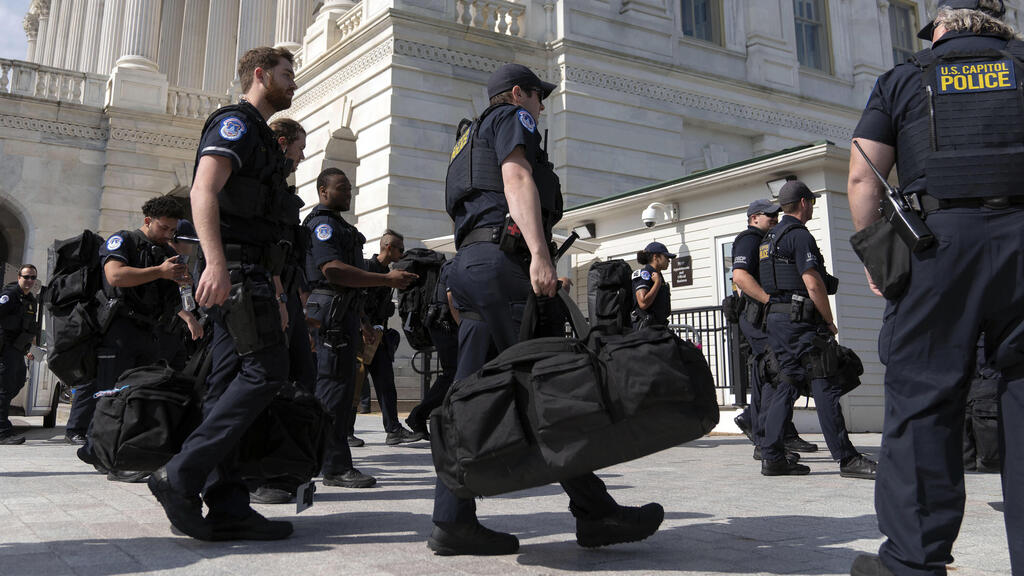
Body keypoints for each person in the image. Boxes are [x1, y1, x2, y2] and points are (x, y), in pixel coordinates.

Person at [433, 62, 663, 556]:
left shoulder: (464, 141)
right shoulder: (513, 119)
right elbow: (517, 179)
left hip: (471, 266)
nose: (542, 105)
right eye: (539, 96)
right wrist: (539, 253)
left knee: (467, 398)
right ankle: (597, 513)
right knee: (549, 389)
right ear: (518, 94)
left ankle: (452, 519)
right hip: (501, 264)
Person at [847, 2, 1023, 574]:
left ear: (941, 28)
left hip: (938, 244)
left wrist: (878, 259)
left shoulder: (906, 77)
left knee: (924, 400)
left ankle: (913, 564)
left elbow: (861, 174)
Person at [148, 46, 298, 542]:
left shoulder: (262, 137)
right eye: (285, 74)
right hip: (234, 269)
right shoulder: (234, 124)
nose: (293, 82)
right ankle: (183, 474)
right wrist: (214, 263)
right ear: (260, 75)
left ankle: (229, 503)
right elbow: (203, 191)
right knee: (265, 373)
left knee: (227, 384)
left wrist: (275, 285)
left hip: (253, 270)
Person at [303, 168, 416, 489]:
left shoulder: (338, 225)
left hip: (345, 313)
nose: (348, 193)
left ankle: (326, 461)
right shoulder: (323, 225)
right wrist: (385, 279)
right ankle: (331, 465)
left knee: (338, 392)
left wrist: (364, 322)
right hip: (333, 313)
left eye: (350, 188)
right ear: (323, 190)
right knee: (331, 392)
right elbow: (333, 270)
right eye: (341, 188)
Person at [756, 180, 877, 480]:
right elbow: (813, 282)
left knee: (787, 383)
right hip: (801, 322)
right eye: (811, 201)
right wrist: (828, 319)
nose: (812, 206)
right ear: (804, 203)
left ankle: (772, 456)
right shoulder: (799, 236)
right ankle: (847, 458)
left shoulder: (768, 238)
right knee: (825, 382)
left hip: (777, 319)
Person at [65, 196, 199, 447]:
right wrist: (160, 272)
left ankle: (124, 453)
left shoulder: (168, 252)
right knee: (111, 395)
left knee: (140, 396)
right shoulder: (124, 240)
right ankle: (98, 450)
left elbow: (173, 295)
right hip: (119, 330)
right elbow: (115, 276)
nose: (168, 234)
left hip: (151, 332)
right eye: (164, 228)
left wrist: (181, 283)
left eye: (173, 230)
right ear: (148, 221)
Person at [243, 117, 317, 506]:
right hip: (264, 295)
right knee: (266, 382)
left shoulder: (278, 187)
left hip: (284, 295)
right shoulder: (256, 183)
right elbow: (264, 245)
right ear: (283, 142)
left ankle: (285, 468)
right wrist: (276, 297)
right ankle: (259, 474)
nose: (303, 156)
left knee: (299, 378)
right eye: (300, 148)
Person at [730, 200, 816, 461]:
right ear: (754, 217)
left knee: (772, 375)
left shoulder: (768, 238)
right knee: (776, 373)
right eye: (769, 216)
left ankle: (768, 430)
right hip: (757, 316)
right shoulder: (750, 238)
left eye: (776, 214)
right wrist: (770, 301)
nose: (775, 219)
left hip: (764, 318)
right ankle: (765, 436)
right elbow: (740, 277)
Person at [360, 230, 424, 445]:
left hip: (379, 337)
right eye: (401, 249)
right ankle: (345, 432)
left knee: (386, 383)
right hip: (362, 336)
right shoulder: (367, 269)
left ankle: (394, 430)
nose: (403, 254)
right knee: (354, 384)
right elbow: (357, 302)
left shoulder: (390, 273)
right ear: (389, 248)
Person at [405, 259, 459, 438]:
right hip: (445, 324)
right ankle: (419, 415)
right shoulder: (457, 264)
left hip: (445, 324)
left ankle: (423, 416)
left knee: (454, 373)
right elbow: (451, 298)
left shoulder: (456, 262)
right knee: (453, 373)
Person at [0, 265, 39, 445]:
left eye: (33, 278)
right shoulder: (10, 295)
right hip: (5, 347)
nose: (29, 281)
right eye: (26, 277)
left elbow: (31, 327)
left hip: (17, 349)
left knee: (17, 382)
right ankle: (2, 431)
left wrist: (30, 347)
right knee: (5, 387)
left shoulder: (31, 300)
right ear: (18, 277)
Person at [631, 242, 673, 329]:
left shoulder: (658, 275)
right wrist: (657, 283)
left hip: (659, 328)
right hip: (645, 331)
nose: (669, 260)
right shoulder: (644, 274)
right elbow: (643, 303)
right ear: (656, 257)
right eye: (666, 257)